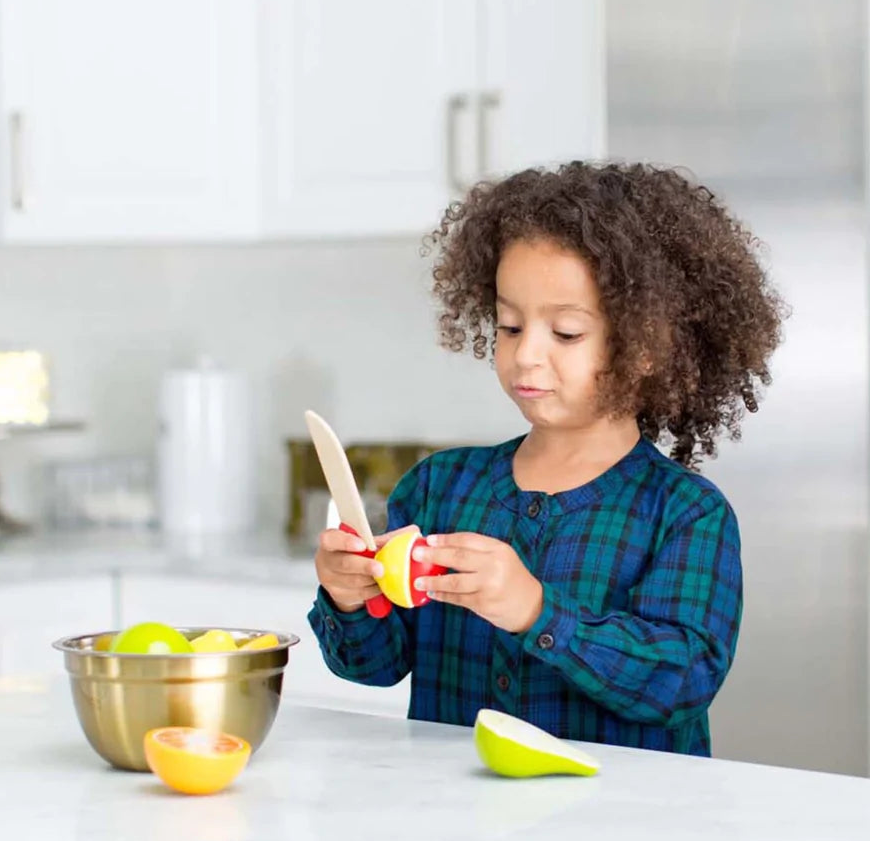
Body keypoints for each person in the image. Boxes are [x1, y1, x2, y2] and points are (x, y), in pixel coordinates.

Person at [308, 161, 787, 755]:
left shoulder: (685, 513)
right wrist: (352, 597)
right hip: (457, 828)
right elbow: (374, 668)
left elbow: (681, 682)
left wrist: (538, 612)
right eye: (510, 326)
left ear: (645, 348)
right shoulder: (439, 487)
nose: (526, 354)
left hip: (622, 832)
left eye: (564, 333)